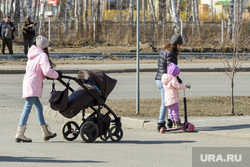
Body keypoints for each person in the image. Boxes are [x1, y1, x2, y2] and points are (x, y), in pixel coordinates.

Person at [15, 35, 62, 142]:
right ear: (45, 46)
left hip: (29, 81)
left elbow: (38, 70)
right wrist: (57, 75)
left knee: (39, 108)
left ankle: (45, 132)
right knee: (27, 107)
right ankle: (19, 133)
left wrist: (48, 75)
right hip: (34, 84)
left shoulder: (33, 54)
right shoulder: (42, 56)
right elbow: (47, 71)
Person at [155, 33, 183, 131]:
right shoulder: (171, 53)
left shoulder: (164, 50)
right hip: (165, 80)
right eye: (179, 45)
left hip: (159, 79)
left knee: (170, 101)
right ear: (176, 44)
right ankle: (161, 122)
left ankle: (170, 121)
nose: (180, 47)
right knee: (166, 102)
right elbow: (171, 70)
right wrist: (177, 80)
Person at [161, 63, 190, 128]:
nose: (177, 75)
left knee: (171, 111)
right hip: (173, 98)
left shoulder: (165, 79)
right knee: (175, 111)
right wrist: (186, 86)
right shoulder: (173, 79)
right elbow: (178, 86)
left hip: (167, 98)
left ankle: (174, 123)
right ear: (174, 72)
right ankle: (177, 123)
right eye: (177, 73)